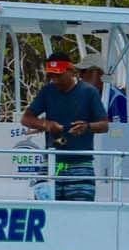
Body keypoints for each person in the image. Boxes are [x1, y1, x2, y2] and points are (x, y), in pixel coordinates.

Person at [21, 51, 109, 201]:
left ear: (71, 71)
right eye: (51, 76)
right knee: (44, 210)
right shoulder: (47, 91)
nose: (54, 80)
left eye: (59, 75)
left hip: (80, 163)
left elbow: (104, 125)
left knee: (79, 213)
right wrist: (46, 124)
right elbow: (26, 118)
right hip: (52, 162)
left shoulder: (89, 92)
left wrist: (87, 127)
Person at [80, 50, 129, 153]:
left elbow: (119, 132)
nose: (80, 76)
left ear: (98, 72)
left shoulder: (116, 98)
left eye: (84, 71)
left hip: (112, 156)